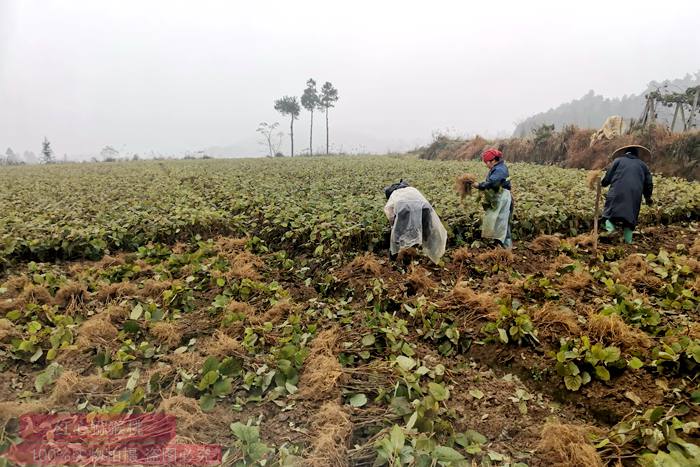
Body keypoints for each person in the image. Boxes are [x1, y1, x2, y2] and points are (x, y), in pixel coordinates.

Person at [383, 180, 447, 264]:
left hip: (404, 209)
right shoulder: (412, 190)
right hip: (424, 208)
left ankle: (395, 258)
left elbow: (390, 215)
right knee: (426, 233)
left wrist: (393, 227)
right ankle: (433, 256)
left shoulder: (394, 194)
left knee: (398, 236)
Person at [600, 145, 653, 244]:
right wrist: (648, 198)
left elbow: (608, 177)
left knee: (609, 215)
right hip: (634, 196)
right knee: (630, 220)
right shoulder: (643, 166)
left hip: (616, 192)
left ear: (626, 153)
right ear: (637, 155)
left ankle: (611, 232)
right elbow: (648, 184)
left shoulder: (618, 161)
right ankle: (628, 243)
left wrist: (603, 183)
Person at [473, 148, 513, 248]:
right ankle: (499, 245)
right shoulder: (497, 168)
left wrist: (479, 185)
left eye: (487, 162)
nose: (486, 165)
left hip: (502, 196)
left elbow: (493, 182)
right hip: (499, 196)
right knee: (499, 220)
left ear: (493, 161)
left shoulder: (500, 169)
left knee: (501, 221)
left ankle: (504, 247)